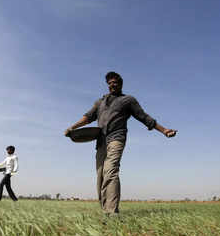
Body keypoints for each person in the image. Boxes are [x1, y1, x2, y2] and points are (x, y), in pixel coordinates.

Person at [65, 71, 177, 215]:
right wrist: (72, 128)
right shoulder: (100, 102)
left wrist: (164, 130)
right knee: (100, 175)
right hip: (101, 140)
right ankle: (105, 210)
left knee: (111, 170)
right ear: (107, 85)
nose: (112, 85)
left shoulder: (128, 100)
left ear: (121, 84)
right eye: (110, 83)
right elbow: (87, 117)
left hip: (116, 138)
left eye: (115, 82)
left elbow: (144, 117)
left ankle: (112, 213)